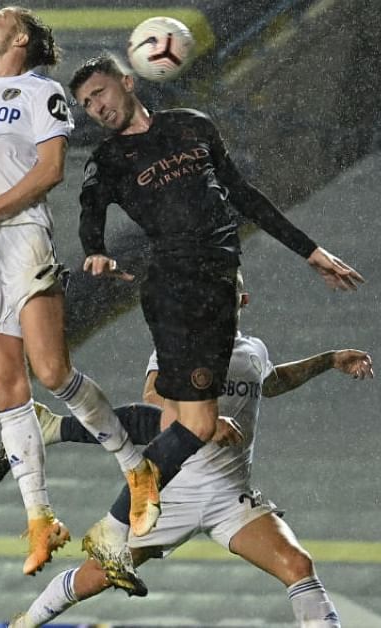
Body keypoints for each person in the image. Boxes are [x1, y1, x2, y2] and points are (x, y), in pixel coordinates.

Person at [68, 53, 365, 551]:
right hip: (173, 285)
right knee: (187, 420)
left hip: (220, 287)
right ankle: (124, 509)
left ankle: (119, 470)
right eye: (85, 103)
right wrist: (95, 250)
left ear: (127, 81)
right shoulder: (109, 161)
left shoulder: (192, 127)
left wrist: (309, 251)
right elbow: (89, 213)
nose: (95, 107)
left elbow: (244, 195)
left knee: (191, 423)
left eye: (99, 93)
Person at [9, 275, 374, 627]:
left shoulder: (253, 351)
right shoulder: (179, 346)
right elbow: (152, 398)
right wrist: (205, 424)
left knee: (298, 565)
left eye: (225, 291)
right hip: (171, 495)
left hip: (231, 498)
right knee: (95, 577)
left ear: (241, 300)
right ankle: (24, 624)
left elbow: (274, 381)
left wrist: (329, 360)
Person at [0, 7, 149, 575]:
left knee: (52, 371)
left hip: (19, 234)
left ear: (19, 38)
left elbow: (50, 169)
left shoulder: (39, 91)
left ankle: (134, 464)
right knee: (6, 384)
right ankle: (40, 519)